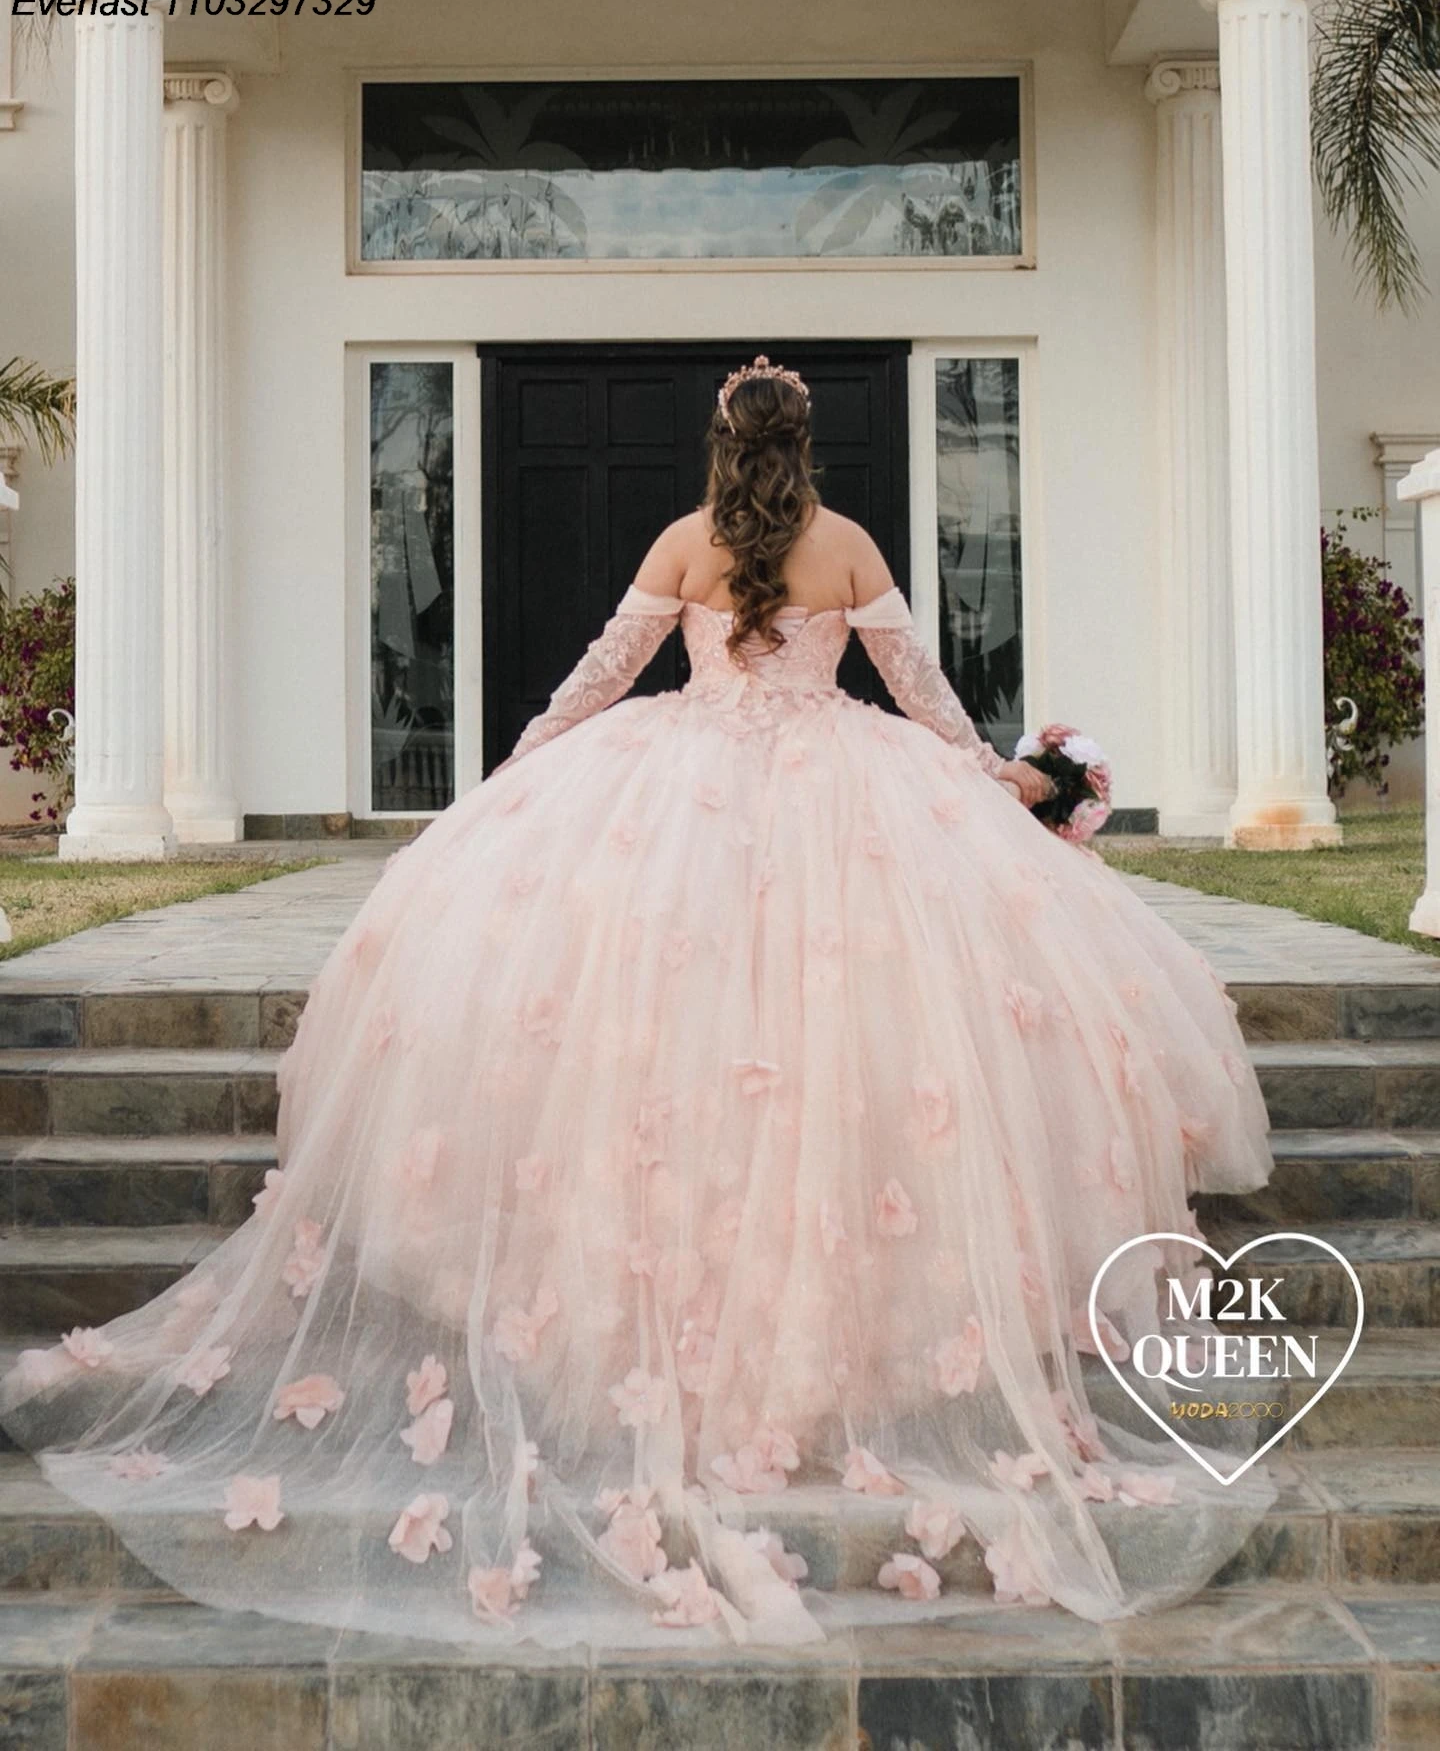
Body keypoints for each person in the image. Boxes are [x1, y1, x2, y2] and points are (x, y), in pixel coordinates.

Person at [1, 355, 1279, 1650]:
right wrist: (993, 776)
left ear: (727, 443)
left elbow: (607, 670)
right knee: (826, 1029)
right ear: (806, 442)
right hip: (839, 799)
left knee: (683, 1033)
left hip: (683, 796)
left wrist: (525, 762)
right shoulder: (844, 545)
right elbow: (921, 694)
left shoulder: (686, 539)